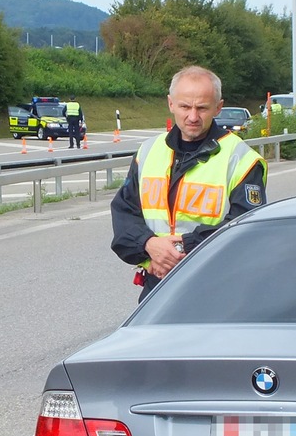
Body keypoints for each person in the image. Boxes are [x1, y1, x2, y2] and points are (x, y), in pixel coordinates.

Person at [111, 65, 267, 301]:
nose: (192, 117)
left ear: (218, 107)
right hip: (157, 286)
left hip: (217, 289)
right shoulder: (149, 151)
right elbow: (124, 213)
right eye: (185, 106)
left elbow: (245, 228)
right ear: (170, 104)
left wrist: (178, 251)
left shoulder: (241, 159)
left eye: (202, 108)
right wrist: (149, 244)